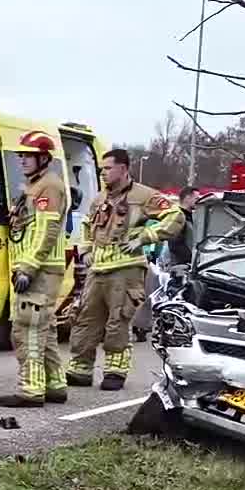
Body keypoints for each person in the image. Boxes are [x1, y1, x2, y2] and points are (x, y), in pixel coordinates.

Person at [65, 148, 184, 391]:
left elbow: (175, 216)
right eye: (102, 169)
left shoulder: (143, 195)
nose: (103, 173)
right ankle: (80, 369)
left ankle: (114, 372)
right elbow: (88, 225)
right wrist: (86, 249)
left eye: (108, 168)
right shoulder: (99, 199)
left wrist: (146, 236)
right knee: (85, 319)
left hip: (126, 268)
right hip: (97, 269)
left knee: (117, 321)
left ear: (123, 168)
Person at [0, 132, 71, 408]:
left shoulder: (49, 187)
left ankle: (30, 390)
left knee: (27, 328)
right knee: (45, 329)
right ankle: (55, 384)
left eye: (27, 155)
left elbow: (46, 230)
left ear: (43, 158)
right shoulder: (34, 186)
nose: (22, 160)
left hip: (40, 269)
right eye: (20, 155)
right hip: (34, 267)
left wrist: (28, 267)